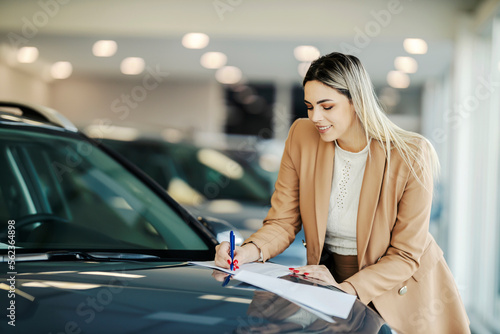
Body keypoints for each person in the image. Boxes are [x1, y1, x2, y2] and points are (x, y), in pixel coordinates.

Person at [214, 52, 470, 333]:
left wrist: (346, 289)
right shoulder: (302, 136)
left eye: (327, 106)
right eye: (310, 106)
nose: (316, 117)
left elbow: (406, 255)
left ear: (356, 101)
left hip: (399, 288)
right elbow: (283, 221)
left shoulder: (409, 154)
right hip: (330, 278)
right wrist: (246, 251)